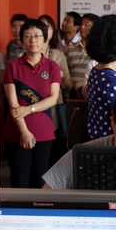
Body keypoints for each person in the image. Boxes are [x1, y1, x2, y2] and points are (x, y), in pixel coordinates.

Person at [2, 18, 61, 188]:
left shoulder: (52, 67)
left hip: (44, 131)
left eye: (37, 35)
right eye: (28, 36)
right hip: (17, 131)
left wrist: (28, 109)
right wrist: (24, 131)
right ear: (22, 40)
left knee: (39, 180)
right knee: (19, 180)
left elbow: (53, 98)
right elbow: (13, 105)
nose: (33, 40)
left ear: (44, 39)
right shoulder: (12, 66)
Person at [84, 14, 116, 139]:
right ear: (115, 42)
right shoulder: (114, 80)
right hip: (112, 143)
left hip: (95, 139)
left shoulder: (96, 71)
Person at [38, 14, 73, 165]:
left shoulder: (58, 54)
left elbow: (67, 85)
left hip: (54, 107)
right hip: (33, 105)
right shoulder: (26, 54)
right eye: (41, 26)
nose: (44, 30)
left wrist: (61, 76)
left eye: (48, 27)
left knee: (53, 150)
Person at [66, 13, 99, 99]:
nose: (82, 27)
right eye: (81, 24)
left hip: (91, 95)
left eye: (86, 25)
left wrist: (81, 83)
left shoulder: (99, 50)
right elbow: (65, 71)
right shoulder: (70, 48)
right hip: (71, 96)